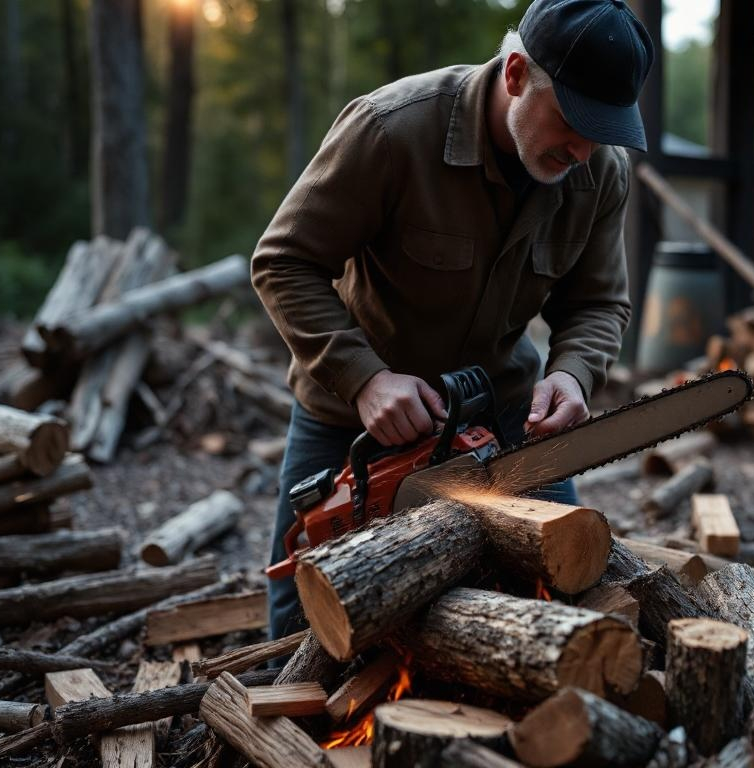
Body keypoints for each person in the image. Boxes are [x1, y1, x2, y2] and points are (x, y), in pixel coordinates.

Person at [251, 0, 656, 640]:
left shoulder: (599, 170)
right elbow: (283, 262)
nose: (582, 149)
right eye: (573, 122)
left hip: (500, 412)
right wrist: (364, 379)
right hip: (351, 417)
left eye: (602, 130)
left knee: (564, 590)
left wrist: (575, 375)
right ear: (517, 72)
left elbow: (598, 303)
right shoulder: (391, 131)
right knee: (305, 621)